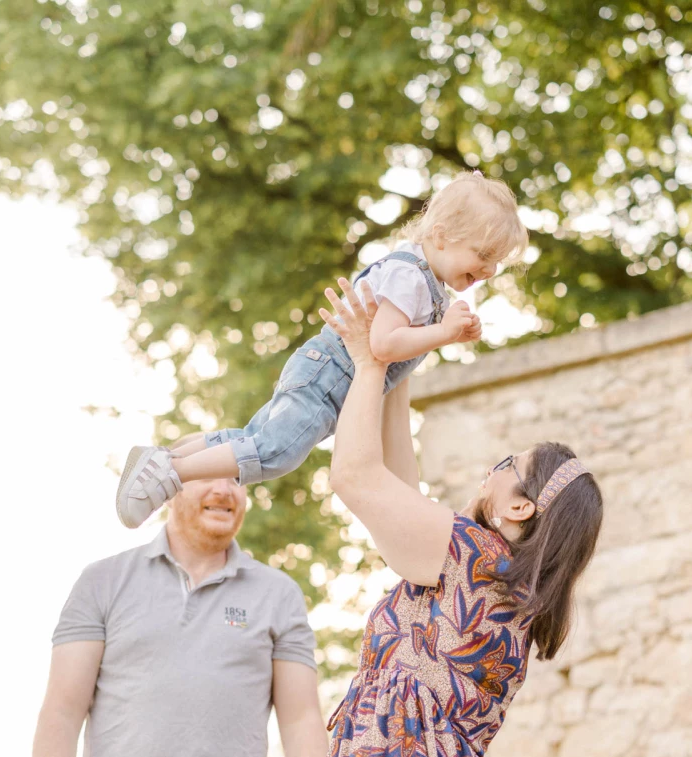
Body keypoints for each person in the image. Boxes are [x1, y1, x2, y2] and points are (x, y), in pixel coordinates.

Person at [314, 279, 604, 757]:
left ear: (520, 506)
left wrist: (369, 362)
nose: (488, 472)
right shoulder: (502, 585)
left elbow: (355, 475)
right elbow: (399, 491)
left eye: (506, 465)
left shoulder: (475, 559)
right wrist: (397, 363)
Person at [115, 171, 529, 528]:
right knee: (277, 451)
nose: (489, 270)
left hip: (321, 372)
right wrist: (445, 334)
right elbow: (382, 344)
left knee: (252, 437)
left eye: (497, 263)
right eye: (483, 254)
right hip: (330, 376)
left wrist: (443, 327)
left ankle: (163, 456)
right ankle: (171, 473)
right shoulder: (411, 277)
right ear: (441, 235)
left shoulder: (424, 280)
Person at [33, 476, 328, 757]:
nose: (224, 489)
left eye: (236, 478)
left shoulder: (279, 594)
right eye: (206, 475)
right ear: (168, 491)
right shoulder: (102, 581)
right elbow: (62, 711)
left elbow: (301, 722)